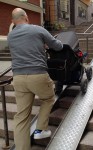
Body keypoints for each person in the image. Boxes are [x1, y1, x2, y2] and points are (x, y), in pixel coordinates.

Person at [7, 8, 63, 150]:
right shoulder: (37, 29)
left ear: (13, 21)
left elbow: (24, 48)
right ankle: (40, 129)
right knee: (48, 98)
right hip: (37, 75)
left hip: (18, 78)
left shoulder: (11, 35)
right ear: (26, 17)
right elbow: (57, 46)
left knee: (22, 117)